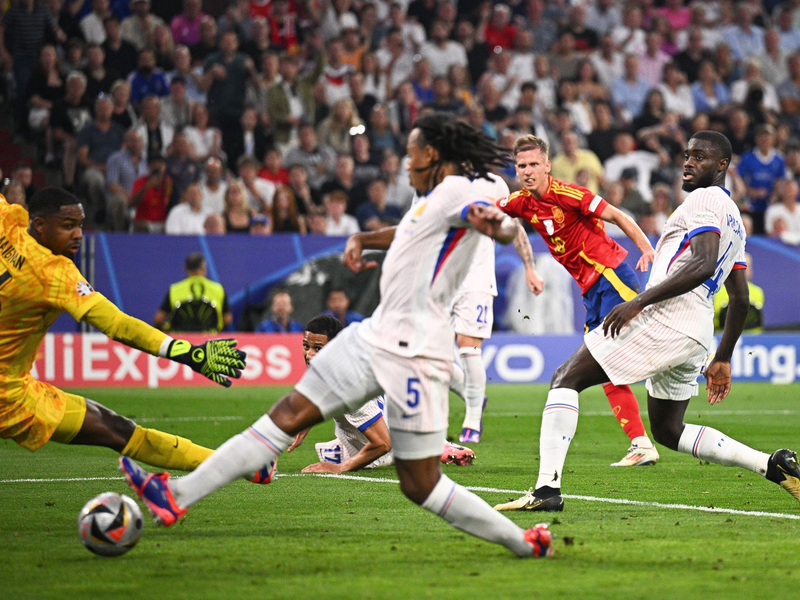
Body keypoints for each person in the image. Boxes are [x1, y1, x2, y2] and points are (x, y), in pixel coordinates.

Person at [119, 113, 554, 560]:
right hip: (374, 335)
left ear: (433, 155)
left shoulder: (462, 193)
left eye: (412, 153)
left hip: (416, 354)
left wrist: (497, 227)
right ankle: (176, 496)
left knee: (421, 484)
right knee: (286, 414)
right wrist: (363, 237)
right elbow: (408, 233)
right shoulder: (431, 198)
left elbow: (494, 221)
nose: (405, 163)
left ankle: (521, 541)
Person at [494, 131, 800, 514]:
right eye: (687, 155)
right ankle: (772, 464)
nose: (688, 162)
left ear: (722, 166)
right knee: (669, 431)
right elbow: (737, 298)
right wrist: (722, 357)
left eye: (700, 157)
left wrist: (638, 302)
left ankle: (546, 489)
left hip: (668, 318)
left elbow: (703, 263)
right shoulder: (735, 219)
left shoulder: (704, 200)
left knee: (565, 378)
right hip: (698, 330)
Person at [0, 188, 245, 471]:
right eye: (68, 226)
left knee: (114, 427)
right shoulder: (54, 273)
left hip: (18, 387)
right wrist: (187, 353)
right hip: (9, 396)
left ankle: (236, 465)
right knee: (119, 432)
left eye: (80, 225)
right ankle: (235, 465)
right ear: (40, 225)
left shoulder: (8, 221)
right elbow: (117, 324)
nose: (78, 234)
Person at [492, 134, 659, 483]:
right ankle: (641, 443)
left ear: (547, 165)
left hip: (611, 275)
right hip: (591, 291)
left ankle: (694, 363)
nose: (527, 171)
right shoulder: (521, 202)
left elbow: (615, 215)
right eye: (521, 165)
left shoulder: (569, 194)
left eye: (534, 164)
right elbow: (489, 209)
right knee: (609, 366)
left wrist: (646, 247)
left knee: (618, 352)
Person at [344, 174, 541, 444]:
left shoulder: (493, 183)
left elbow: (513, 227)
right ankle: (472, 394)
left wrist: (529, 267)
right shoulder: (428, 184)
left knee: (468, 348)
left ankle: (472, 419)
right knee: (425, 351)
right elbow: (412, 231)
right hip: (440, 280)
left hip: (477, 278)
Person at [288, 315, 476, 472]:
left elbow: (382, 444)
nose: (309, 355)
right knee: (330, 450)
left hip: (385, 445)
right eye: (306, 346)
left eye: (318, 349)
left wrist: (340, 468)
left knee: (377, 454)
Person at [154, 252, 232, 333]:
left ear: (185, 268)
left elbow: (159, 320)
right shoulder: (218, 289)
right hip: (209, 339)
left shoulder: (174, 289)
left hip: (180, 341)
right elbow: (227, 319)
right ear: (203, 268)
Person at [714, 252, 764, 334]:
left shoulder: (718, 290)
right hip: (753, 337)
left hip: (723, 335)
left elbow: (715, 321)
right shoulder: (758, 291)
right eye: (748, 268)